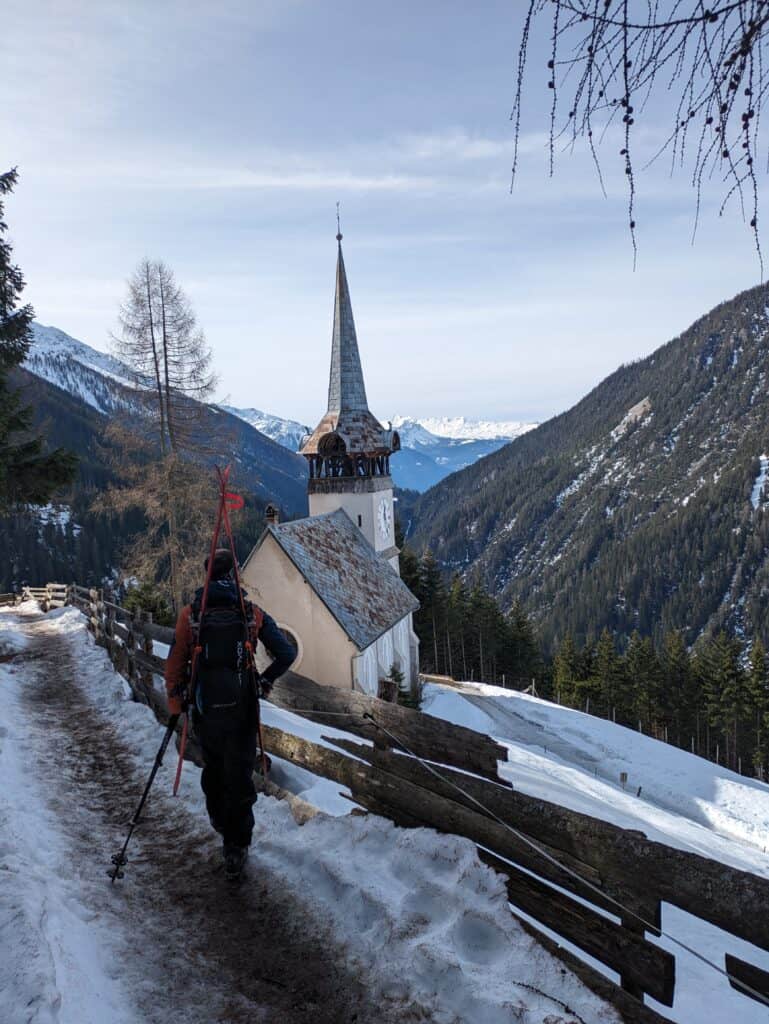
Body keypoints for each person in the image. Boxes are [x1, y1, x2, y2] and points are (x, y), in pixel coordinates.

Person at [165, 548, 296, 879]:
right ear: (234, 575)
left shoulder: (190, 615)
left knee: (215, 768)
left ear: (207, 575)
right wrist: (264, 682)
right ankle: (238, 845)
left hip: (207, 712)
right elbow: (286, 652)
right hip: (243, 710)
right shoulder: (252, 614)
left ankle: (220, 823)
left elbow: (176, 662)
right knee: (239, 775)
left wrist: (176, 702)